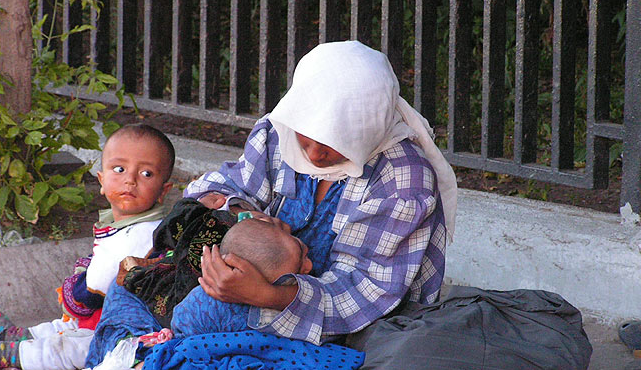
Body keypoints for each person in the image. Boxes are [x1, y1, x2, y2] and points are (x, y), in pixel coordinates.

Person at [185, 40, 458, 345]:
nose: (314, 155)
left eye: (333, 141)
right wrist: (247, 217)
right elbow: (215, 190)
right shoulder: (279, 133)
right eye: (308, 136)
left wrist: (266, 295)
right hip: (253, 299)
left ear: (366, 127)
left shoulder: (402, 178)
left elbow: (366, 293)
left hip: (357, 328)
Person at [0, 123, 175, 370]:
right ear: (101, 180)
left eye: (146, 174)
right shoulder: (121, 221)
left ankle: (11, 354)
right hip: (105, 314)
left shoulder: (145, 231)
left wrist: (73, 291)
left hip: (129, 327)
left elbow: (95, 285)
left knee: (75, 347)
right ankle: (18, 334)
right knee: (65, 326)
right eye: (119, 169)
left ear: (163, 191)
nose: (129, 180)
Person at [172, 215, 313, 337]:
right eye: (297, 273)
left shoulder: (197, 301)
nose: (310, 266)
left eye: (301, 248)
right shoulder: (270, 317)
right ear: (249, 281)